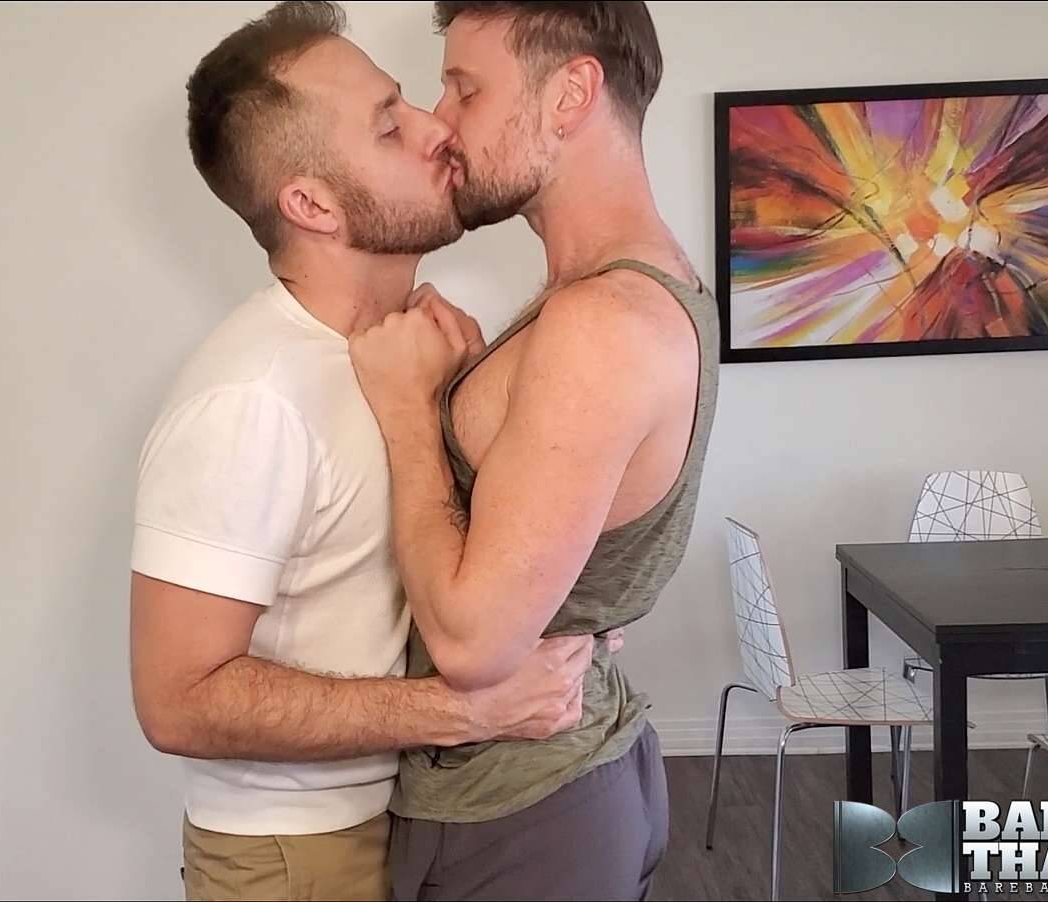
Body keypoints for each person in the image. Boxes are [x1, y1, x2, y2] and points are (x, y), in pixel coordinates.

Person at [128, 3, 604, 900]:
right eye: (389, 126)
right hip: (294, 858)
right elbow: (176, 700)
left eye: (407, 101)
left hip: (411, 819)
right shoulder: (250, 400)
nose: (436, 128)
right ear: (310, 204)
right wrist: (462, 711)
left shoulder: (413, 353)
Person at [344, 2, 721, 899]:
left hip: (524, 812)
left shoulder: (601, 323)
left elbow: (472, 644)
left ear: (571, 95)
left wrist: (412, 411)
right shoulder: (616, 291)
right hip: (557, 784)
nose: (442, 121)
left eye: (466, 89)